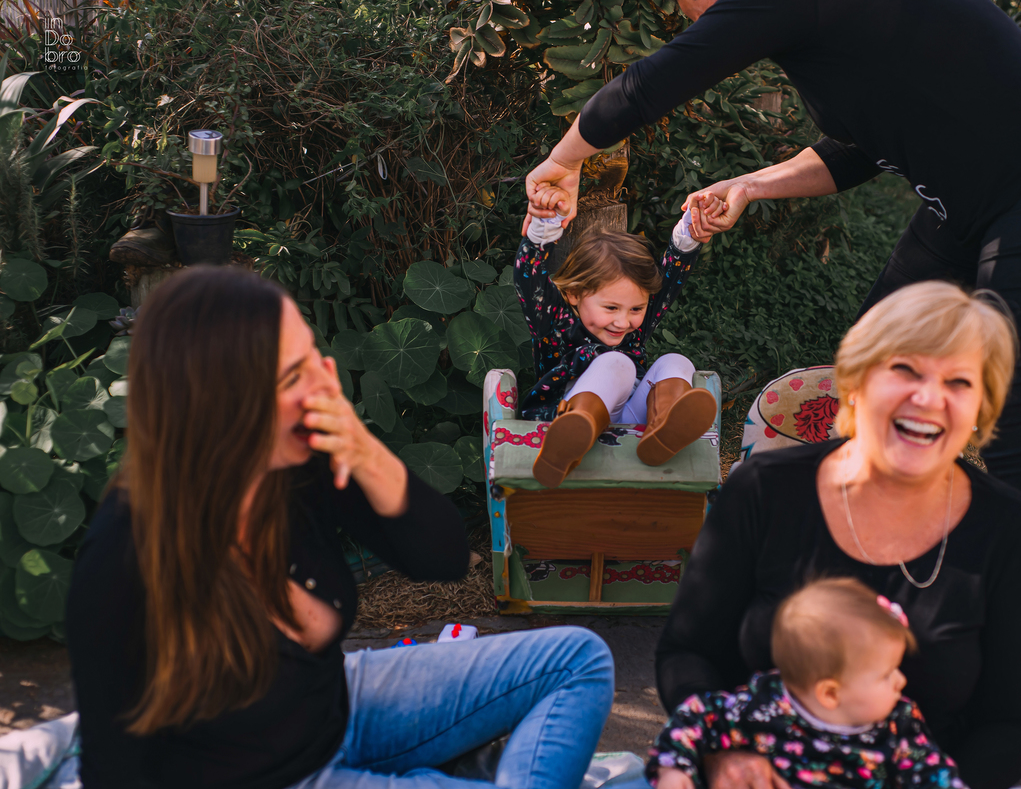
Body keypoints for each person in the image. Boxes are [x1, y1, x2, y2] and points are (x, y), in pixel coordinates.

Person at [523, 0, 1021, 738]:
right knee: (870, 377)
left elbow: (652, 84)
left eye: (696, 12)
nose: (707, 27)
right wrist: (749, 184)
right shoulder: (835, 24)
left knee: (1012, 418)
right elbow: (857, 148)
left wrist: (563, 160)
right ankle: (892, 604)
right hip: (968, 200)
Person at [65, 266, 615, 789]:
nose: (325, 387)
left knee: (578, 659)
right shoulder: (124, 555)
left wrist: (366, 453)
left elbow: (443, 557)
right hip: (269, 778)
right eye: (292, 376)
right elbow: (113, 769)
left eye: (314, 359)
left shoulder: (301, 461)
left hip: (340, 709)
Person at [654, 282, 1021, 789]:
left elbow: (1014, 724)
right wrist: (723, 754)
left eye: (959, 382)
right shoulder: (765, 491)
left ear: (981, 406)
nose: (929, 398)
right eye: (906, 370)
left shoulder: (1011, 529)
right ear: (858, 381)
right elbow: (687, 652)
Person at [647, 578, 965, 789]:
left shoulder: (899, 725)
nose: (901, 681)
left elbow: (935, 774)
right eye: (887, 674)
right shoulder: (762, 707)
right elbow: (694, 717)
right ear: (830, 693)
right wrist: (674, 769)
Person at [516, 205, 716, 488]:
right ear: (574, 293)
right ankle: (573, 434)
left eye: (636, 309)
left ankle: (664, 427)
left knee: (677, 361)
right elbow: (530, 280)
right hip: (563, 413)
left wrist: (688, 237)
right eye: (611, 308)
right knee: (618, 362)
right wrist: (540, 234)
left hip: (629, 417)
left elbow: (668, 283)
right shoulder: (554, 322)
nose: (623, 322)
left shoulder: (634, 326)